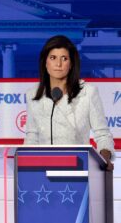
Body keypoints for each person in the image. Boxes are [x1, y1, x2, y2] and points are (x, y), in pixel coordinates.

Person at [24, 35, 115, 171]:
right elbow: (32, 136)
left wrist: (104, 158)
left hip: (78, 168)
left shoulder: (88, 93)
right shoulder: (33, 94)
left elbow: (103, 135)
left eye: (64, 58)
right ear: (45, 62)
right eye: (53, 58)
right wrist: (25, 163)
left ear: (71, 63)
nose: (58, 64)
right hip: (42, 170)